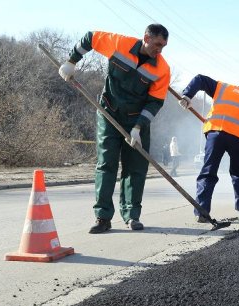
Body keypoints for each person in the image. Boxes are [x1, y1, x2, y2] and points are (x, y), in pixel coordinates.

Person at [58, 24, 170, 233]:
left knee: (135, 169)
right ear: (146, 37)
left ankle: (132, 216)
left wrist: (138, 128)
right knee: (106, 164)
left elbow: (155, 102)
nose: (159, 50)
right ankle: (103, 217)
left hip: (137, 122)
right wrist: (71, 61)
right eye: (157, 44)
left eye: (163, 46)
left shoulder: (162, 69)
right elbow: (90, 37)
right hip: (109, 113)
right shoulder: (120, 44)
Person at [178, 77, 239, 222]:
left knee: (208, 172)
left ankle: (201, 212)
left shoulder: (223, 87)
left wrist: (187, 95)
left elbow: (200, 79)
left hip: (215, 134)